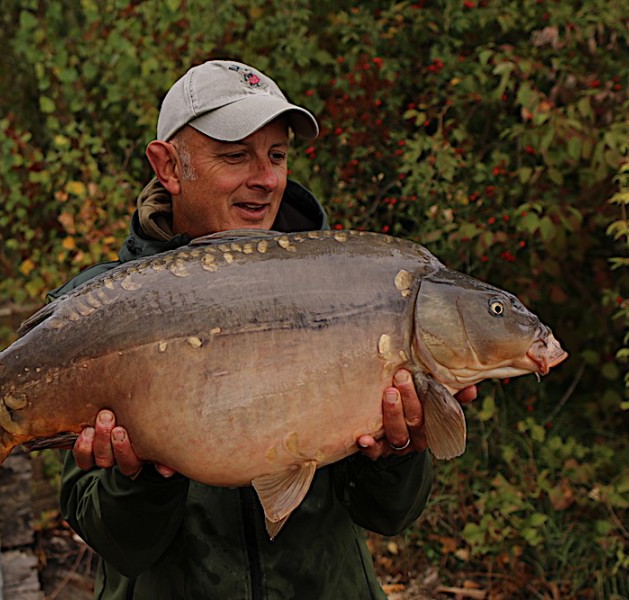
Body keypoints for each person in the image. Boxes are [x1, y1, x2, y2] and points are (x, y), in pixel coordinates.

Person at [49, 60, 477, 599]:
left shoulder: (359, 292)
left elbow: (389, 517)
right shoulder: (95, 315)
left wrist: (397, 455)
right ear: (169, 167)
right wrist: (143, 478)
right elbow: (120, 545)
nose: (268, 178)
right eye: (236, 156)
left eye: (277, 155)